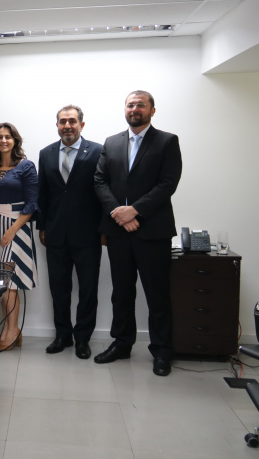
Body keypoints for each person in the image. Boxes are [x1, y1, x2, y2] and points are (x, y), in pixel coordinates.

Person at [94, 90, 182, 376]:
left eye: (140, 105)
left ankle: (162, 351)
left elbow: (168, 183)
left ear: (152, 110)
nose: (135, 109)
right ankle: (122, 344)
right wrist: (118, 213)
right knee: (121, 293)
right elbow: (100, 180)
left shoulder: (167, 141)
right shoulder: (112, 142)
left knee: (157, 294)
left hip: (153, 232)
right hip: (118, 232)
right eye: (130, 105)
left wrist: (135, 211)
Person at [37, 105, 102, 359]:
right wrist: (42, 226)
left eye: (72, 121)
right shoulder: (46, 153)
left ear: (81, 125)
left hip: (88, 234)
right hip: (55, 234)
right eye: (63, 121)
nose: (67, 126)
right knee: (59, 288)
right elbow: (43, 194)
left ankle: (83, 338)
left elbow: (103, 192)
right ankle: (62, 335)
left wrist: (104, 229)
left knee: (88, 289)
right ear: (57, 125)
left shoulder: (97, 151)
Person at [0, 122, 38, 351]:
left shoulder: (26, 166)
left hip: (16, 226)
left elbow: (32, 203)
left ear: (15, 140)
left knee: (11, 282)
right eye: (0, 137)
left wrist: (12, 229)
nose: (4, 140)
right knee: (1, 281)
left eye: (8, 137)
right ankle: (10, 329)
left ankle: (12, 330)